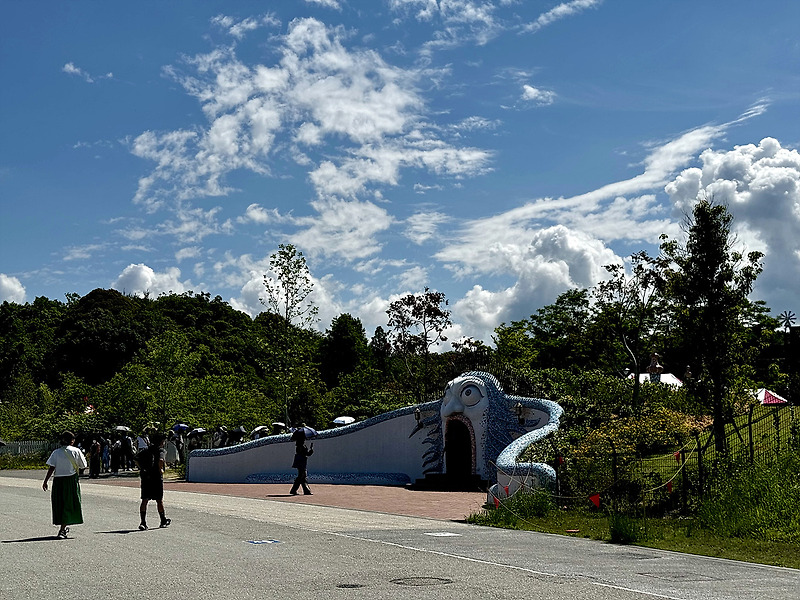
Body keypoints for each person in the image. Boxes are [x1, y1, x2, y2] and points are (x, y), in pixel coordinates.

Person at [42, 430, 88, 539]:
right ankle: (63, 529)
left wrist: (45, 481)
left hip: (58, 481)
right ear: (72, 440)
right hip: (70, 480)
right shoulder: (76, 451)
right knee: (69, 504)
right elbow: (83, 465)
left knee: (60, 504)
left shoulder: (56, 452)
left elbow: (51, 467)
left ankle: (63, 527)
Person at [135, 433, 171, 530]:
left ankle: (143, 522)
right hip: (156, 477)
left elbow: (136, 459)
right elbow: (161, 460)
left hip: (146, 477)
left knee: (145, 500)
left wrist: (141, 468)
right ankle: (163, 520)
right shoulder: (161, 450)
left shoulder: (146, 450)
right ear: (161, 442)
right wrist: (161, 469)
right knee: (159, 500)